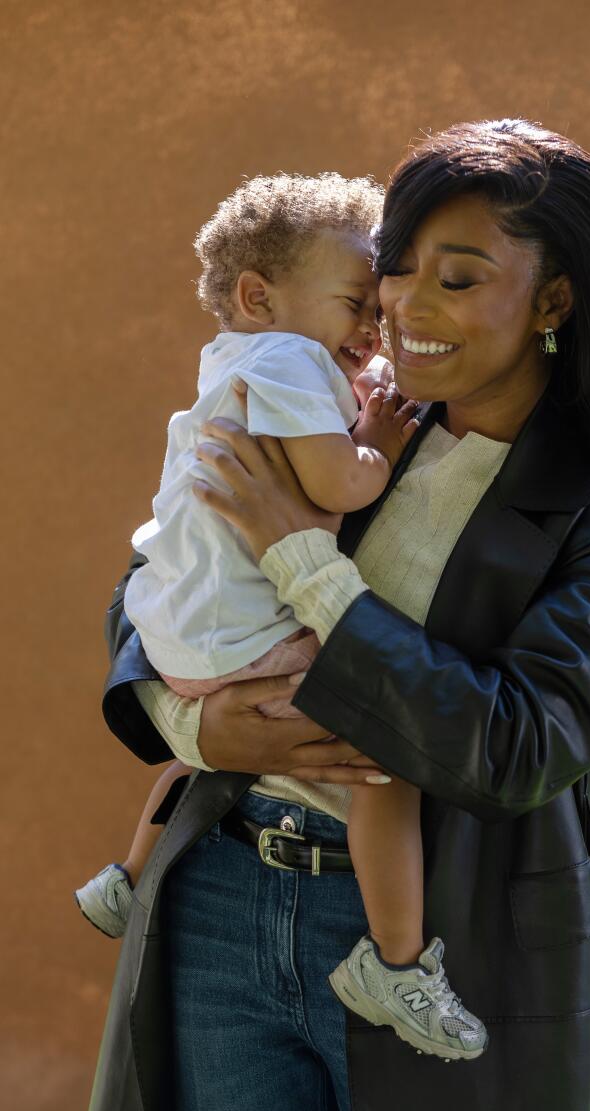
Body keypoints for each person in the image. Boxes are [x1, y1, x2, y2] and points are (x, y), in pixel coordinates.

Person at [76, 118, 590, 1111]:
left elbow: (512, 748)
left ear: (551, 302)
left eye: (455, 279)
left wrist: (302, 554)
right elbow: (160, 589)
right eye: (393, 273)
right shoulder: (352, 420)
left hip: (433, 936)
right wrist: (193, 727)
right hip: (222, 900)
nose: (402, 309)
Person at [73, 170, 487, 1057]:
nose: (373, 332)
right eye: (356, 305)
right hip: (243, 637)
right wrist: (377, 439)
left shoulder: (229, 362)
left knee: (198, 759)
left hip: (174, 630)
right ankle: (397, 961)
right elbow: (339, 484)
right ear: (260, 297)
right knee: (384, 747)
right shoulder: (290, 360)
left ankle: (126, 879)